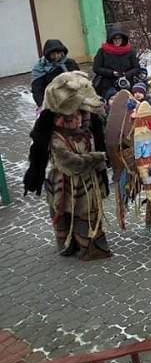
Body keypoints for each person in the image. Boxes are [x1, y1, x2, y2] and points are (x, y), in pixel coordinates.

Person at [23, 72, 110, 260]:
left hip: (87, 183)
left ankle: (90, 246)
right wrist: (98, 158)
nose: (77, 119)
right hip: (66, 183)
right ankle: (70, 244)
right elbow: (70, 163)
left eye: (80, 114)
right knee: (66, 213)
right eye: (71, 116)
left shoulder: (87, 129)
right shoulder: (56, 138)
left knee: (87, 214)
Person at [31, 39, 80, 108]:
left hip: (72, 96)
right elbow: (37, 90)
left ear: (62, 52)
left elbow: (80, 79)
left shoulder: (69, 63)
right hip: (52, 101)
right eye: (53, 54)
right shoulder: (40, 68)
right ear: (48, 55)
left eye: (58, 53)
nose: (56, 56)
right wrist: (42, 105)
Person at [92, 28, 139, 100]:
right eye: (114, 39)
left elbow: (136, 68)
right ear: (111, 40)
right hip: (107, 83)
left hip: (127, 82)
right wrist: (112, 73)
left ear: (123, 39)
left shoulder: (130, 51)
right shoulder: (103, 51)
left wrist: (126, 74)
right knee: (113, 101)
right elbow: (96, 68)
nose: (117, 41)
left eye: (119, 38)